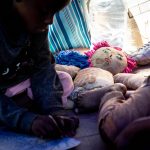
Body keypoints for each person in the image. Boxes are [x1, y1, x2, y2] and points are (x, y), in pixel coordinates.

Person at [0, 0, 79, 139]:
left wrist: (55, 111)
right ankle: (17, 111)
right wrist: (27, 120)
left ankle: (17, 107)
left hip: (16, 85)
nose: (49, 21)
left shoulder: (37, 26)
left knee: (64, 80)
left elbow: (42, 67)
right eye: (43, 12)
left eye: (54, 13)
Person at [98, 75, 150, 149]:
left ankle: (80, 97)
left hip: (112, 127)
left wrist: (127, 134)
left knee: (116, 90)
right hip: (130, 136)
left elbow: (137, 124)